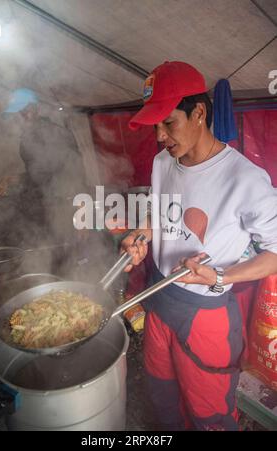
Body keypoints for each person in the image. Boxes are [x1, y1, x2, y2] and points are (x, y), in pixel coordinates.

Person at [121, 61, 277, 431]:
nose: (159, 135)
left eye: (168, 122)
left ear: (200, 113)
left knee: (209, 414)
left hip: (205, 312)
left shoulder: (245, 179)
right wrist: (140, 237)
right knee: (162, 394)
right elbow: (160, 217)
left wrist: (220, 275)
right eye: (154, 125)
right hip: (158, 299)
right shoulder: (164, 162)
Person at [0, 88, 86, 250]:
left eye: (20, 113)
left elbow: (75, 172)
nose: (16, 119)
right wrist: (12, 179)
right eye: (14, 115)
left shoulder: (56, 134)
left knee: (61, 252)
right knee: (39, 249)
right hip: (40, 204)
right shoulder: (26, 140)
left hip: (62, 207)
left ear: (32, 110)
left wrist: (82, 216)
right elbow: (37, 173)